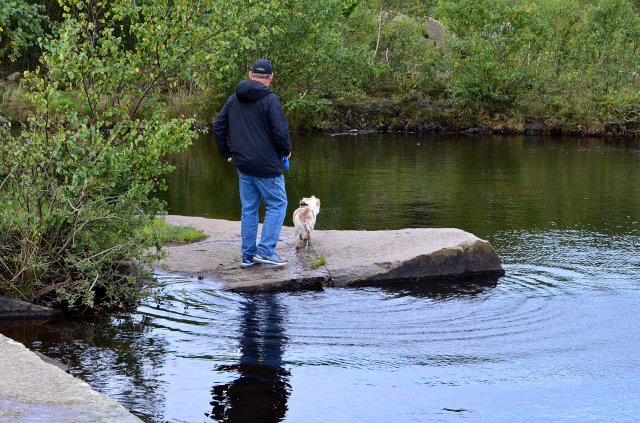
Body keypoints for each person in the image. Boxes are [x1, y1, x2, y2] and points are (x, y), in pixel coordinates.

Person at [212, 59, 291, 268]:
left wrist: (226, 153)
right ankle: (265, 251)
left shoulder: (233, 99)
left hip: (243, 164)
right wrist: (286, 151)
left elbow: (217, 126)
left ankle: (248, 256)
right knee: (277, 205)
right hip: (266, 166)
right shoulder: (270, 100)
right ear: (271, 77)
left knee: (249, 209)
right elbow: (280, 131)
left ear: (250, 75)